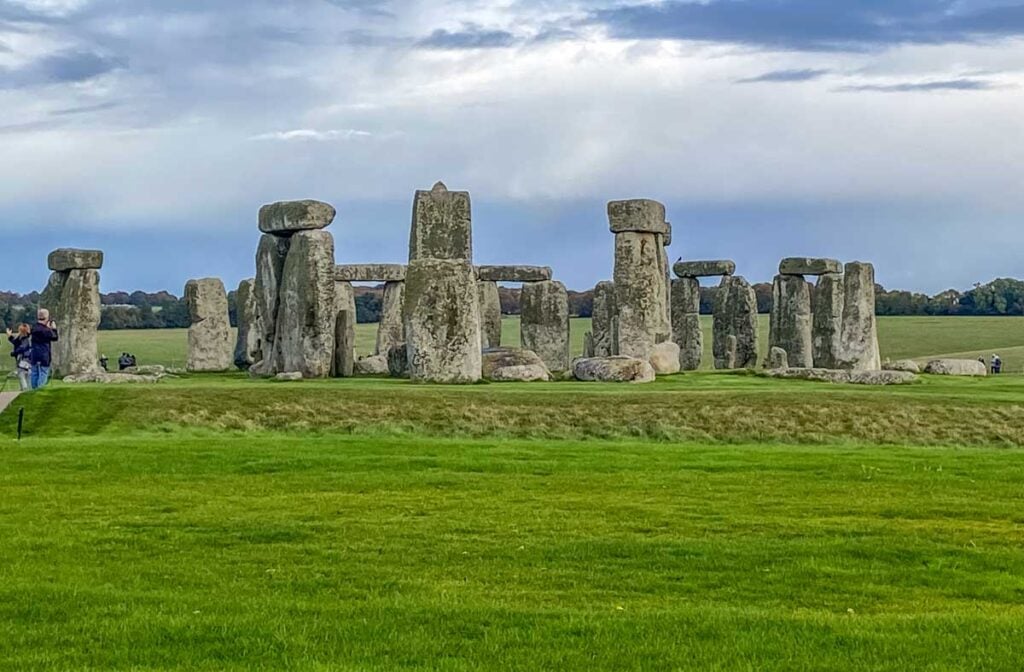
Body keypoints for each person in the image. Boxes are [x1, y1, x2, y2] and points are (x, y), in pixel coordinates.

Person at [29, 309, 58, 389]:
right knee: (43, 373)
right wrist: (53, 329)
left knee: (34, 373)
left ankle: (33, 390)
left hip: (34, 354)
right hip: (44, 354)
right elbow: (55, 338)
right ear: (46, 317)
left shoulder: (34, 328)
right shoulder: (46, 330)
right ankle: (39, 390)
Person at [6, 323, 32, 391]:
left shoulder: (24, 339)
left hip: (23, 359)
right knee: (28, 375)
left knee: (21, 374)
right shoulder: (28, 338)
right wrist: (10, 336)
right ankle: (26, 389)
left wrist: (14, 353)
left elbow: (21, 348)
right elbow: (15, 342)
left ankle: (25, 389)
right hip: (29, 359)